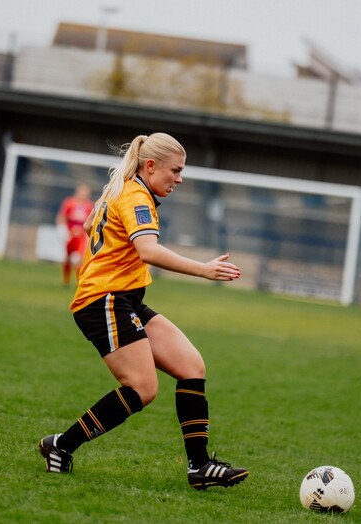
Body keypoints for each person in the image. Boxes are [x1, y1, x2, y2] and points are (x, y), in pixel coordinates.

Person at [38, 132, 249, 490]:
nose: (179, 179)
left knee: (191, 366)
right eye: (175, 171)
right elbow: (148, 251)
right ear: (150, 166)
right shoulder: (136, 195)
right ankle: (60, 445)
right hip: (104, 299)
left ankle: (198, 466)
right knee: (142, 388)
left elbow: (91, 225)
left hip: (126, 298)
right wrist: (204, 269)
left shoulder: (121, 188)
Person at [55, 183, 95, 286]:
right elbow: (62, 217)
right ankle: (66, 281)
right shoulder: (69, 203)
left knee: (78, 259)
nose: (84, 195)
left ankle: (79, 283)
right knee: (67, 258)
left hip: (81, 236)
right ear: (77, 192)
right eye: (82, 192)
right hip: (69, 235)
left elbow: (92, 221)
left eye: (86, 193)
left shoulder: (90, 206)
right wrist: (63, 231)